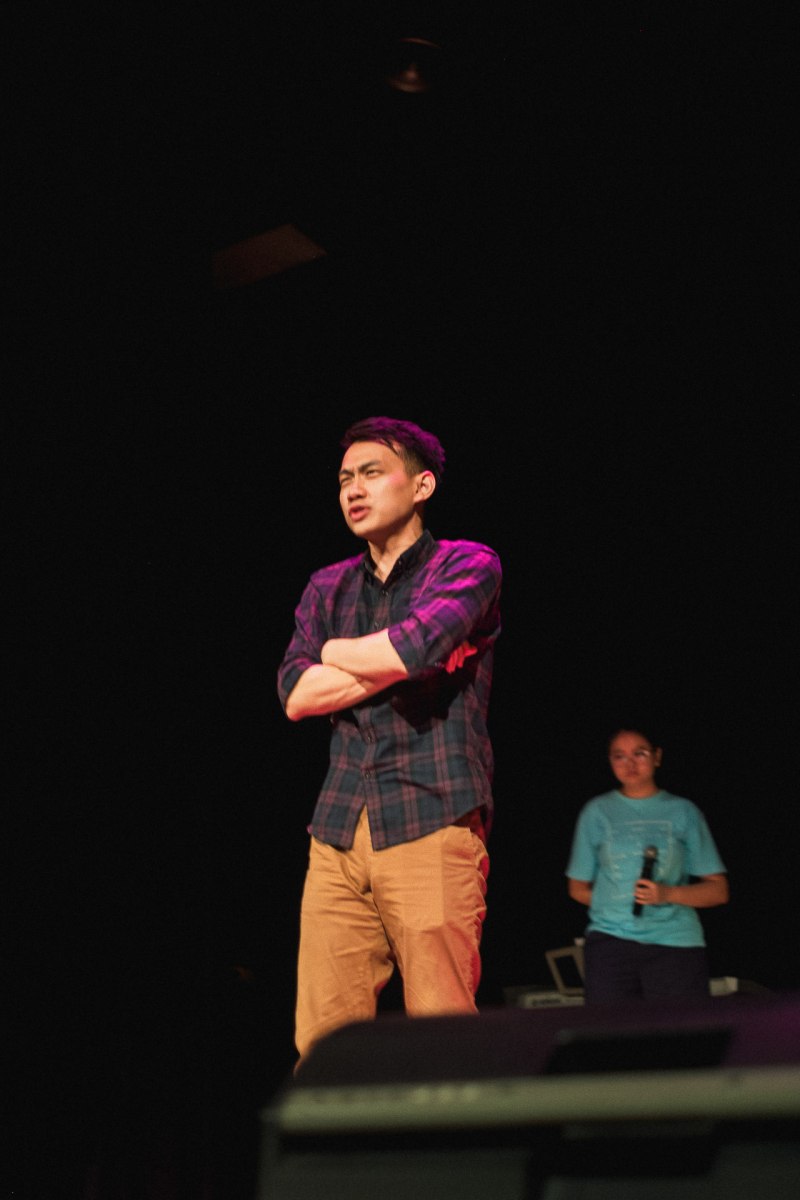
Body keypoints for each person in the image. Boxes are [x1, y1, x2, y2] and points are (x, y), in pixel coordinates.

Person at [277, 416, 502, 1063]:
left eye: (371, 473)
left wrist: (337, 654)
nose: (353, 489)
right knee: (321, 1042)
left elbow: (417, 645)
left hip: (430, 815)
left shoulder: (468, 563)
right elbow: (295, 694)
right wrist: (396, 660)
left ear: (422, 484)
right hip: (337, 829)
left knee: (442, 1036)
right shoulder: (327, 586)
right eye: (345, 477)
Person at [566, 727, 729, 1003]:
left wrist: (667, 894)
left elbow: (718, 890)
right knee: (608, 1028)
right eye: (619, 756)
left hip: (675, 942)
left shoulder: (684, 811)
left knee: (678, 1028)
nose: (630, 764)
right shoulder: (596, 812)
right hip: (611, 942)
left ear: (657, 757)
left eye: (639, 754)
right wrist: (615, 905)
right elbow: (577, 888)